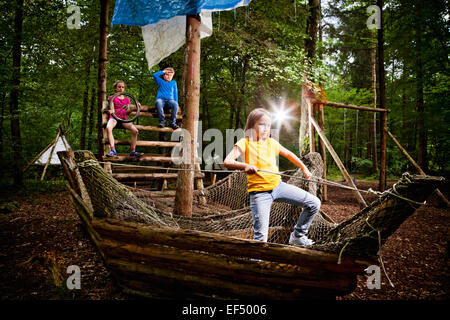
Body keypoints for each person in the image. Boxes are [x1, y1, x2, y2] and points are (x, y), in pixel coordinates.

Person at [223, 108, 320, 246]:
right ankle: (256, 263)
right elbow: (228, 161)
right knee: (261, 238)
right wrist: (245, 166)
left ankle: (298, 236)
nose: (266, 128)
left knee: (314, 203)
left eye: (268, 125)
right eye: (261, 124)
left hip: (278, 187)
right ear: (251, 125)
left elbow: (289, 155)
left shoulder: (271, 143)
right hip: (259, 194)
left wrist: (304, 168)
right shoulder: (244, 142)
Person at [106, 80, 142, 157]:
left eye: (122, 87)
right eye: (119, 87)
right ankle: (113, 150)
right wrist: (111, 111)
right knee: (108, 128)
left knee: (135, 131)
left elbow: (127, 112)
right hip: (114, 117)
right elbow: (112, 108)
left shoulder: (127, 99)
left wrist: (135, 107)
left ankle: (133, 150)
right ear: (115, 88)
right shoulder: (112, 97)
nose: (121, 88)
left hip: (124, 118)